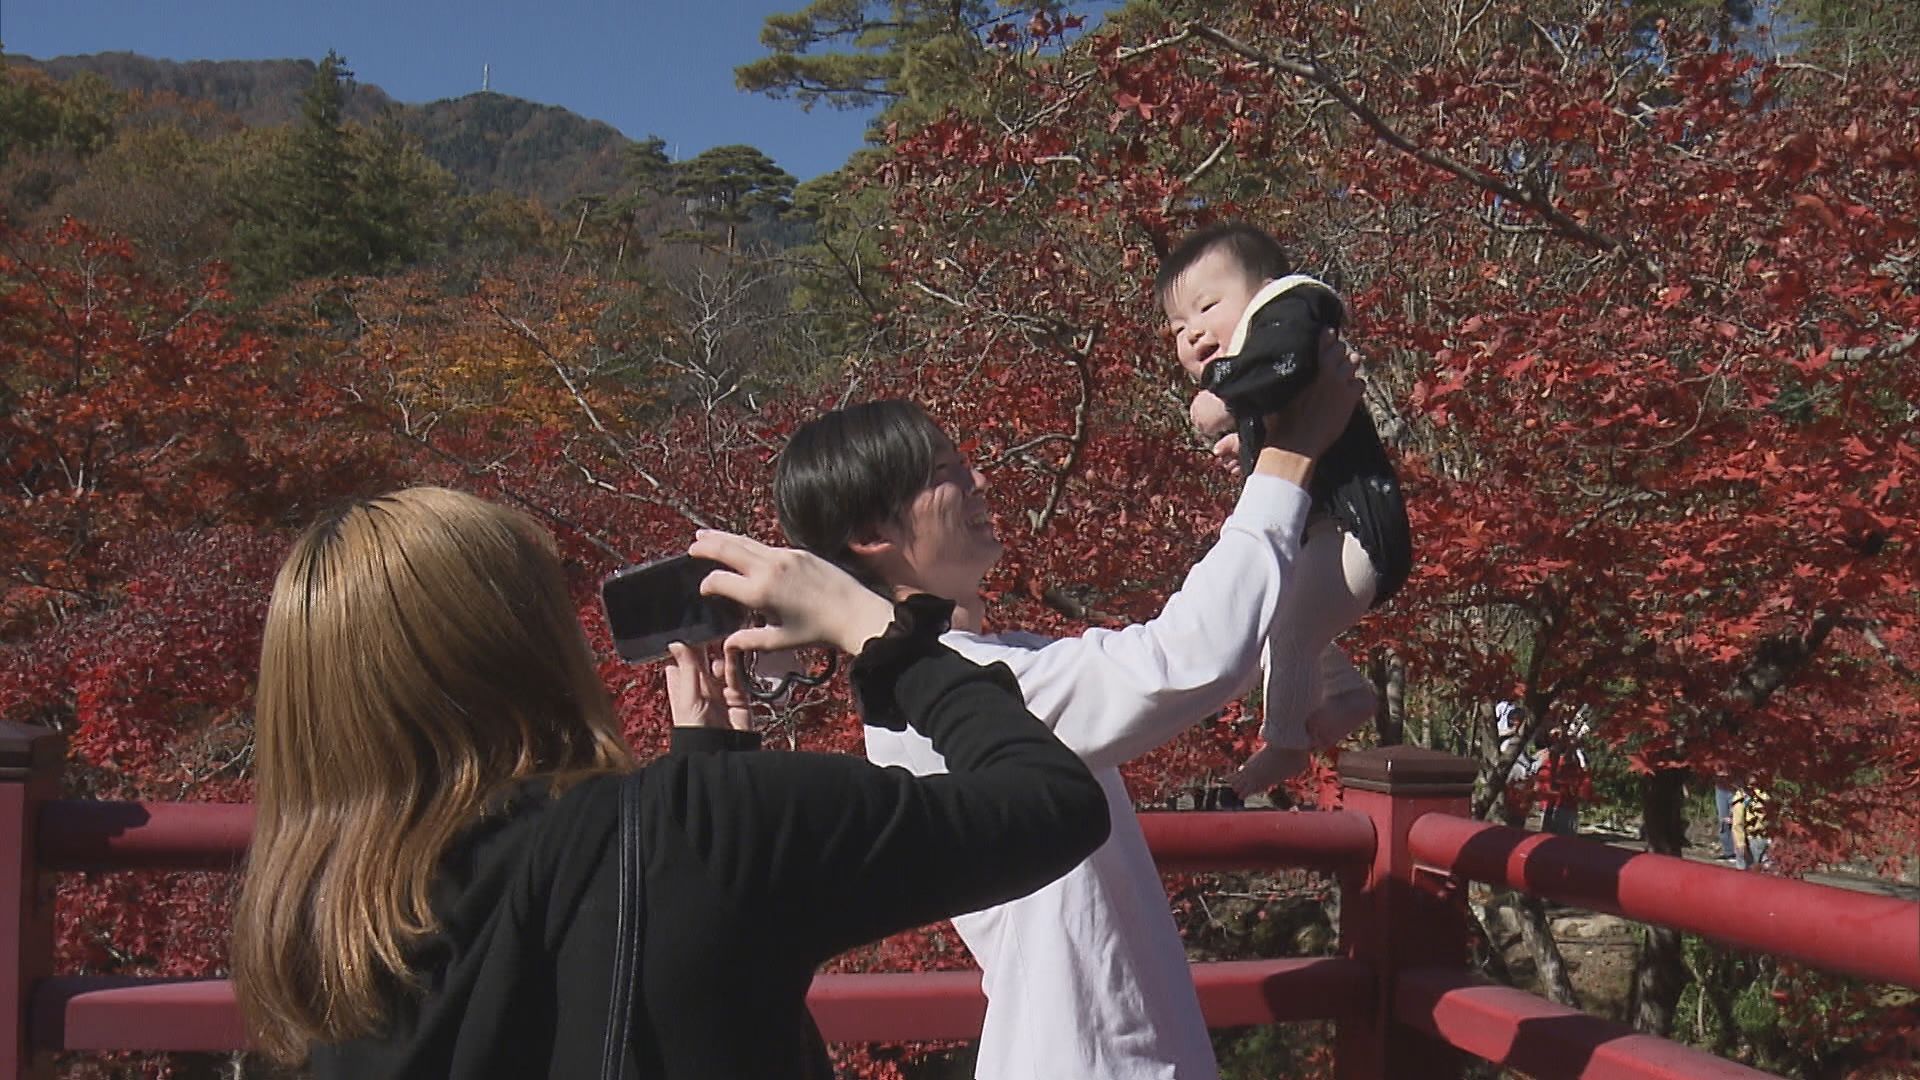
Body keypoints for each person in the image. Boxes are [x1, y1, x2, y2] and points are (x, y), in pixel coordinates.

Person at [230, 486, 1110, 1079]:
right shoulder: (701, 830)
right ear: (527, 646)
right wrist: (878, 631)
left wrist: (702, 774)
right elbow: (1048, 803)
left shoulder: (311, 923)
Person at [772, 342, 1362, 1079]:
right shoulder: (958, 690)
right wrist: (1290, 459)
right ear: (870, 535)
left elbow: (1183, 656)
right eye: (946, 475)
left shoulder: (969, 671)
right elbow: (1185, 659)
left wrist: (1306, 662)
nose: (978, 481)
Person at [1157, 221, 1413, 795]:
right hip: (1329, 533)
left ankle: (1286, 745)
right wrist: (1243, 447)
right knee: (1275, 612)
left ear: (1263, 289)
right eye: (1178, 327)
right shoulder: (1265, 373)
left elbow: (1285, 360)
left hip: (1360, 530)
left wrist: (1223, 395)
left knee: (1290, 628)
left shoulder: (1294, 309)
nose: (1193, 332)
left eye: (1207, 307)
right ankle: (1345, 693)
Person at [1731, 785, 1772, 870]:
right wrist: (1741, 845)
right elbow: (1738, 825)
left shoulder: (1763, 794)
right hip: (1750, 840)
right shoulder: (1742, 800)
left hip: (1764, 838)